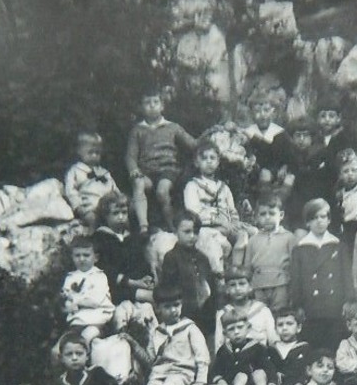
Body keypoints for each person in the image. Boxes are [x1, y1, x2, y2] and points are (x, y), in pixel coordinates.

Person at [126, 88, 196, 233]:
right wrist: (134, 170)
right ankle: (143, 226)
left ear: (162, 106)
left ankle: (172, 226)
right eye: (147, 103)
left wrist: (210, 136)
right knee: (138, 183)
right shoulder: (137, 130)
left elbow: (193, 144)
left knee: (162, 191)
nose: (152, 105)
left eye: (155, 102)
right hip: (146, 171)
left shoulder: (172, 127)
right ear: (141, 107)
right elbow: (130, 156)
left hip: (167, 170)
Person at [289, 199, 353, 349]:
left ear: (329, 220)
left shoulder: (338, 245)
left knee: (335, 344)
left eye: (323, 217)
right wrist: (297, 305)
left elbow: (347, 276)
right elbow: (296, 280)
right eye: (314, 218)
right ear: (307, 222)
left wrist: (349, 300)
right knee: (314, 345)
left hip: (335, 306)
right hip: (311, 307)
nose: (319, 221)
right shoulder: (300, 249)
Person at [138, 285, 209, 385]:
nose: (173, 310)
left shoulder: (189, 328)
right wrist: (149, 335)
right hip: (159, 374)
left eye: (176, 305)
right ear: (158, 309)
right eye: (167, 307)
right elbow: (153, 357)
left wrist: (201, 379)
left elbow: (202, 355)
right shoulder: (157, 331)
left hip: (181, 373)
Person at [182, 137, 243, 276]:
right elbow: (193, 213)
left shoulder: (224, 187)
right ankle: (219, 275)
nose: (209, 161)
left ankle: (236, 271)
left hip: (226, 227)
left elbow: (232, 210)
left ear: (218, 162)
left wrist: (234, 223)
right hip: (206, 228)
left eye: (212, 158)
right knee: (213, 243)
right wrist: (218, 220)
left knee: (246, 235)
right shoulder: (192, 186)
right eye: (204, 158)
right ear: (197, 163)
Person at [210, 307, 275, 385]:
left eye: (240, 327)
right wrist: (220, 380)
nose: (236, 332)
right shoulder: (224, 351)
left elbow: (269, 368)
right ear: (225, 333)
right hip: (236, 383)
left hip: (256, 383)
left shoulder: (258, 348)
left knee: (260, 373)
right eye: (231, 329)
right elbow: (216, 370)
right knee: (241, 376)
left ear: (248, 328)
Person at [157, 211, 219, 336]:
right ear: (175, 232)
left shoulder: (202, 258)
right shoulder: (171, 257)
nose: (192, 236)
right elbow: (168, 288)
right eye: (187, 232)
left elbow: (211, 286)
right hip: (184, 313)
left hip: (205, 314)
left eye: (195, 232)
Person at [243, 192, 295, 312]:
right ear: (256, 217)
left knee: (280, 313)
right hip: (258, 285)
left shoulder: (289, 237)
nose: (267, 217)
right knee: (260, 315)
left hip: (281, 284)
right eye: (262, 214)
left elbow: (294, 265)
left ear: (281, 215)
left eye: (271, 213)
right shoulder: (253, 240)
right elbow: (247, 267)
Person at [92, 192, 144, 305]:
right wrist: (132, 282)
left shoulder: (131, 237)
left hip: (136, 284)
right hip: (115, 289)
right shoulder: (100, 238)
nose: (121, 217)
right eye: (115, 213)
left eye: (124, 213)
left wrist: (145, 279)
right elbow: (104, 269)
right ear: (105, 215)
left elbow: (140, 261)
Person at [61, 235, 115, 345]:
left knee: (85, 339)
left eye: (86, 255)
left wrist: (75, 302)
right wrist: (68, 304)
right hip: (77, 322)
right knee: (62, 346)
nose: (81, 259)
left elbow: (94, 301)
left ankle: (86, 360)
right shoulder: (70, 277)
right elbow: (66, 298)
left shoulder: (99, 276)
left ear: (95, 258)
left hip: (97, 321)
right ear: (72, 257)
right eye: (77, 255)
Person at [64, 131, 120, 231]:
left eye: (97, 153)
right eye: (90, 152)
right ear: (79, 151)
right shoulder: (75, 170)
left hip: (108, 207)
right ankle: (93, 235)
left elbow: (114, 187)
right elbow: (70, 190)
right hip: (90, 207)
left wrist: (119, 198)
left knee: (119, 218)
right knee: (92, 219)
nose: (94, 156)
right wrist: (77, 206)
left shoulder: (104, 172)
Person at [214, 267, 277, 349]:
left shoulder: (262, 310)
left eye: (242, 284)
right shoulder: (223, 313)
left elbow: (273, 340)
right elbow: (219, 344)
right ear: (227, 289)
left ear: (250, 287)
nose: (237, 288)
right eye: (233, 285)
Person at [269, 307, 311, 385]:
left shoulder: (304, 348)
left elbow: (307, 370)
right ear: (275, 329)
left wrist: (301, 383)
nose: (284, 328)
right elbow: (269, 368)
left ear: (298, 328)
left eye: (289, 324)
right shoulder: (271, 350)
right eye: (280, 325)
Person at [332, 147, 357, 252]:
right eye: (345, 171)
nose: (350, 174)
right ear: (339, 175)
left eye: (354, 170)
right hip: (347, 232)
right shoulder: (339, 194)